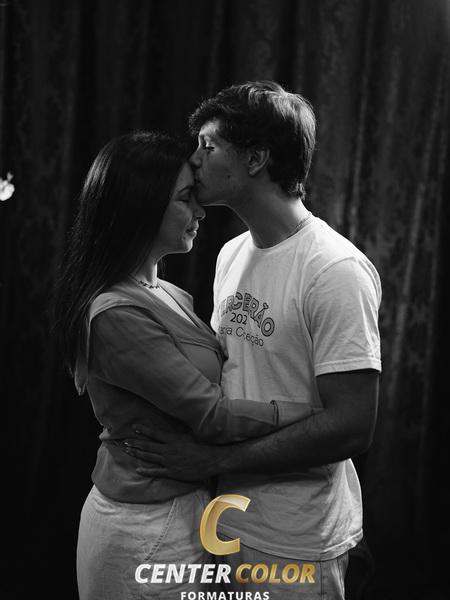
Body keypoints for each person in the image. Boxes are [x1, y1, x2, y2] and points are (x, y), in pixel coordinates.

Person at [128, 82, 381, 599]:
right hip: (223, 522)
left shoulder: (334, 269)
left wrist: (213, 462)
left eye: (209, 145)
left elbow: (353, 425)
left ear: (256, 158)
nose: (194, 159)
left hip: (297, 538)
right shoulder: (230, 254)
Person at [53, 130, 316, 600]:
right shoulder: (115, 313)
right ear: (140, 207)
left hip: (185, 511)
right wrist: (313, 416)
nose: (200, 212)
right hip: (139, 524)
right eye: (184, 199)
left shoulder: (168, 293)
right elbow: (211, 414)